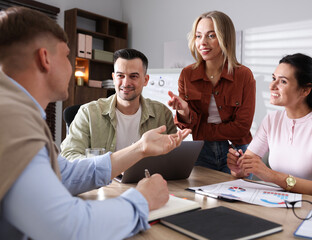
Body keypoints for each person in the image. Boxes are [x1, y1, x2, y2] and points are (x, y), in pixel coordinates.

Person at [0, 6, 191, 239]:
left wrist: (141, 148)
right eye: (67, 55)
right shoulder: (12, 120)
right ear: (45, 58)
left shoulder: (15, 112)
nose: (72, 67)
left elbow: (66, 174)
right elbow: (70, 228)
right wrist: (142, 199)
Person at [227, 53, 312, 205]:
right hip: (287, 202)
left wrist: (272, 176)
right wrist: (239, 169)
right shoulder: (271, 120)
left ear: (305, 90)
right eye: (274, 78)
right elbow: (245, 167)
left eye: (283, 81)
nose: (272, 86)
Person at [168, 11, 256, 173]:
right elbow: (187, 124)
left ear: (225, 38)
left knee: (234, 197)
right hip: (202, 150)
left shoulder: (244, 75)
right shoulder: (187, 74)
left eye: (211, 36)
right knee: (199, 197)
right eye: (198, 36)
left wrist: (201, 130)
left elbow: (242, 127)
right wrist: (183, 110)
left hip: (237, 151)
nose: (202, 42)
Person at [61, 48, 177, 160]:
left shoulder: (162, 113)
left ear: (145, 80)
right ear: (113, 78)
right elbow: (69, 155)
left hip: (149, 178)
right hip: (106, 179)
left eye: (133, 76)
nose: (126, 83)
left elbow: (175, 155)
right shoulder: (88, 113)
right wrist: (102, 166)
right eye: (120, 76)